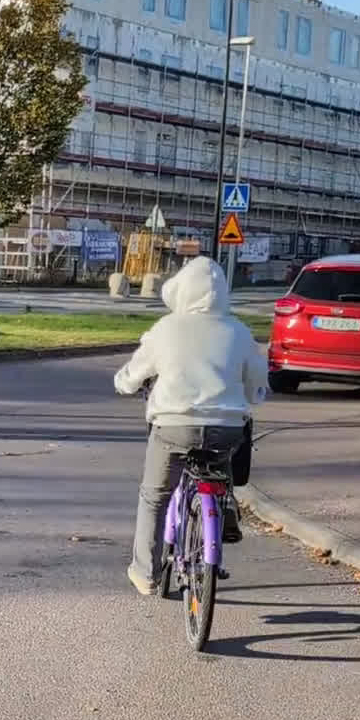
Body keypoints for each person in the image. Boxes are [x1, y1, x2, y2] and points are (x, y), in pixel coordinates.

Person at [113, 254, 266, 594]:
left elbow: (133, 375)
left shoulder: (166, 329)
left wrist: (124, 382)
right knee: (222, 454)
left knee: (154, 496)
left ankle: (146, 573)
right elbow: (257, 387)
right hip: (227, 427)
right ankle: (223, 505)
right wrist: (250, 395)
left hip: (173, 426)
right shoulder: (239, 332)